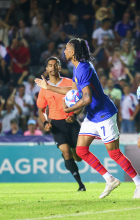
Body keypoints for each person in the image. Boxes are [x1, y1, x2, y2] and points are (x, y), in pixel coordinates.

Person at [35, 38, 140, 199]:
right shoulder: (78, 67)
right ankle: (109, 179)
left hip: (104, 113)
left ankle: (138, 184)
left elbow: (87, 98)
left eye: (67, 48)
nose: (64, 51)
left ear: (74, 52)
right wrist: (49, 87)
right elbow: (73, 90)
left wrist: (69, 110)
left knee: (114, 153)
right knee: (81, 150)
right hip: (93, 115)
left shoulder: (83, 68)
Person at [37, 56, 85, 191]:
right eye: (50, 65)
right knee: (66, 152)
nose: (53, 67)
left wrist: (75, 115)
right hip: (57, 125)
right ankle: (80, 185)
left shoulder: (69, 82)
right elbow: (41, 110)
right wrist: (46, 122)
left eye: (55, 65)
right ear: (47, 69)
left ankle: (71, 153)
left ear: (59, 67)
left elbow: (82, 101)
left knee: (79, 156)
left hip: (72, 122)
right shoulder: (43, 89)